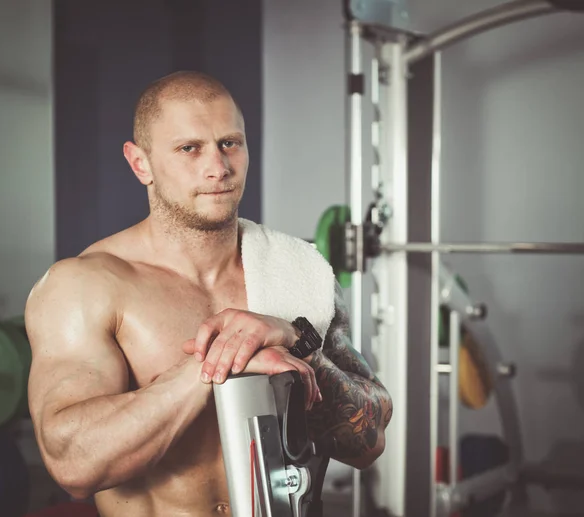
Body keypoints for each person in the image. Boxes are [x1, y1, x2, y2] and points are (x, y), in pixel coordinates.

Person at [25, 71, 393, 517]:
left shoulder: (299, 269)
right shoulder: (86, 286)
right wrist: (219, 364)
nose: (217, 167)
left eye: (229, 143)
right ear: (140, 163)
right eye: (189, 148)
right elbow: (73, 464)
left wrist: (296, 341)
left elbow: (369, 441)